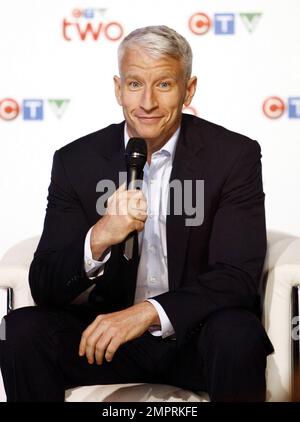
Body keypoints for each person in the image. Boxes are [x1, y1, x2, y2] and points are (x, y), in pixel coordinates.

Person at [0, 25, 274, 402]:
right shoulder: (76, 161)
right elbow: (45, 282)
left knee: (238, 333)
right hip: (106, 342)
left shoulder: (232, 156)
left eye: (163, 84)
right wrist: (98, 238)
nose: (146, 102)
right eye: (134, 84)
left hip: (194, 337)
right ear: (117, 88)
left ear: (188, 90)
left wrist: (148, 312)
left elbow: (237, 276)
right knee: (20, 329)